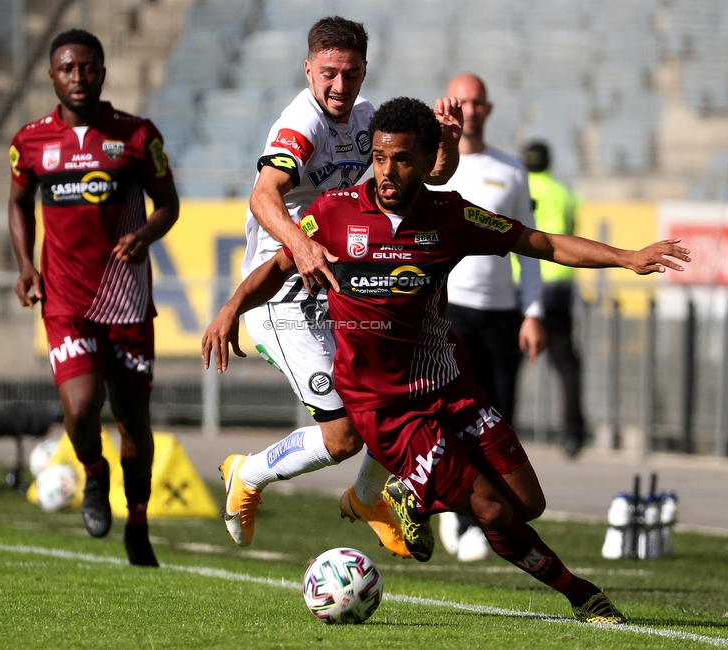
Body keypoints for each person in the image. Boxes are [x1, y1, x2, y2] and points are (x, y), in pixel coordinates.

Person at [203, 97, 689, 623]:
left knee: (527, 504)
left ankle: (410, 490)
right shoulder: (335, 213)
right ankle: (582, 594)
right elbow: (279, 266)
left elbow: (538, 241)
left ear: (428, 158)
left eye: (404, 160)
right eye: (381, 157)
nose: (388, 172)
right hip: (385, 408)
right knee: (491, 510)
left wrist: (626, 257)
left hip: (450, 387)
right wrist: (232, 307)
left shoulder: (451, 215)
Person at [217, 16, 462, 562]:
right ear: (308, 69)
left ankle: (369, 496)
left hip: (336, 290)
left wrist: (446, 147)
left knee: (402, 393)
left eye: (349, 74)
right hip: (280, 296)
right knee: (344, 437)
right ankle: (247, 473)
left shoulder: (369, 119)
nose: (338, 86)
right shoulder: (299, 124)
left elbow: (433, 177)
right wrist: (301, 248)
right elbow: (264, 196)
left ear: (363, 72)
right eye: (327, 73)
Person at [8, 29, 180, 567]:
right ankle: (93, 474)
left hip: (125, 301)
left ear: (102, 72)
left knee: (134, 423)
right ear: (52, 75)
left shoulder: (134, 135)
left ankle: (139, 524)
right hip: (64, 302)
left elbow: (168, 205)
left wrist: (145, 235)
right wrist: (25, 266)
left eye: (88, 67)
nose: (78, 77)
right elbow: (18, 204)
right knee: (82, 408)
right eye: (67, 68)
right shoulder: (30, 141)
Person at [438, 73, 547, 563]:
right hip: (452, 311)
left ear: (489, 108)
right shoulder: (437, 166)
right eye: (462, 101)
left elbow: (531, 247)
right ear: (449, 105)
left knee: (501, 418)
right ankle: (460, 513)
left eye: (478, 102)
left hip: (502, 315)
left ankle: (492, 516)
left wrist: (533, 311)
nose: (470, 109)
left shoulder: (510, 170)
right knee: (457, 417)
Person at [522, 141, 587, 458]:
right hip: (558, 285)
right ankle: (574, 434)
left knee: (505, 365)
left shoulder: (518, 187)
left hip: (522, 286)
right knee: (566, 365)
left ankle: (494, 429)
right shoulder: (564, 193)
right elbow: (571, 234)